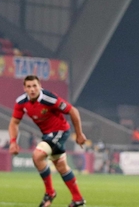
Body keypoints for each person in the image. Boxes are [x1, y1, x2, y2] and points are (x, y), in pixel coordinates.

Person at [8, 75, 87, 207]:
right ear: (24, 88)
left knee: (37, 156)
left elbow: (73, 111)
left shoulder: (49, 98)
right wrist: (13, 141)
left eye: (35, 86)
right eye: (29, 86)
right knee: (62, 167)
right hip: (47, 135)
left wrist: (79, 134)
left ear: (40, 86)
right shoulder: (21, 102)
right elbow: (14, 123)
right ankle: (78, 199)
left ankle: (50, 192)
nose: (32, 89)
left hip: (60, 131)